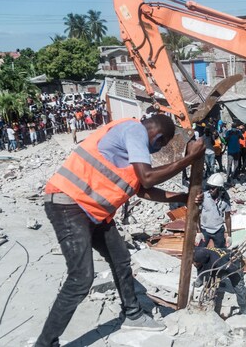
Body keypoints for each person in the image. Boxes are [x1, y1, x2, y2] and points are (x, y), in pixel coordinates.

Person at [35, 115, 205, 346]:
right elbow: (147, 179)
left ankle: (133, 315)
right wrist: (191, 158)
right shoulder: (135, 131)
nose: (155, 151)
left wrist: (185, 197)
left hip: (93, 212)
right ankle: (45, 343)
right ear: (158, 137)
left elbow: (144, 190)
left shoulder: (130, 150)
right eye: (160, 146)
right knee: (81, 278)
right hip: (69, 204)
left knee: (120, 258)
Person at [193, 247, 246, 317]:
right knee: (205, 273)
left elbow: (232, 269)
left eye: (196, 262)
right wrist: (202, 277)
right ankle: (200, 279)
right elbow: (202, 267)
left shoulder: (222, 264)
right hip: (218, 258)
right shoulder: (199, 251)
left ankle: (243, 309)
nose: (194, 264)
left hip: (232, 264)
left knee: (239, 287)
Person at [196, 173, 232, 248]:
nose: (210, 190)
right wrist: (198, 232)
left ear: (219, 188)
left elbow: (227, 217)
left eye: (213, 188)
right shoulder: (204, 197)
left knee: (220, 252)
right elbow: (197, 214)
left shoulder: (225, 200)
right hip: (205, 229)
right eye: (209, 187)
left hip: (218, 230)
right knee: (198, 253)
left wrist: (229, 235)